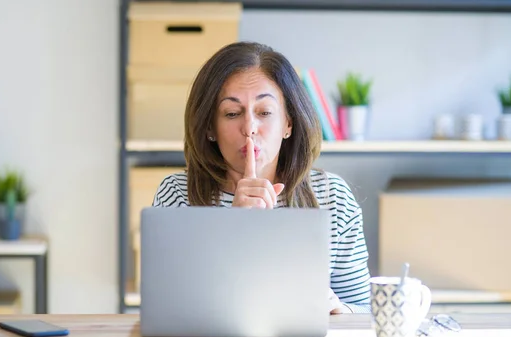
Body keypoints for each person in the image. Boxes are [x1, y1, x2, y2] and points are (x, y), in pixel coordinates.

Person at [152, 41, 371, 313]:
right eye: (232, 113)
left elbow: (364, 309)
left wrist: (339, 310)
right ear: (210, 127)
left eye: (265, 112)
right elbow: (165, 309)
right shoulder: (177, 194)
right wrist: (233, 228)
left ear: (288, 123)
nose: (249, 128)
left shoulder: (332, 196)